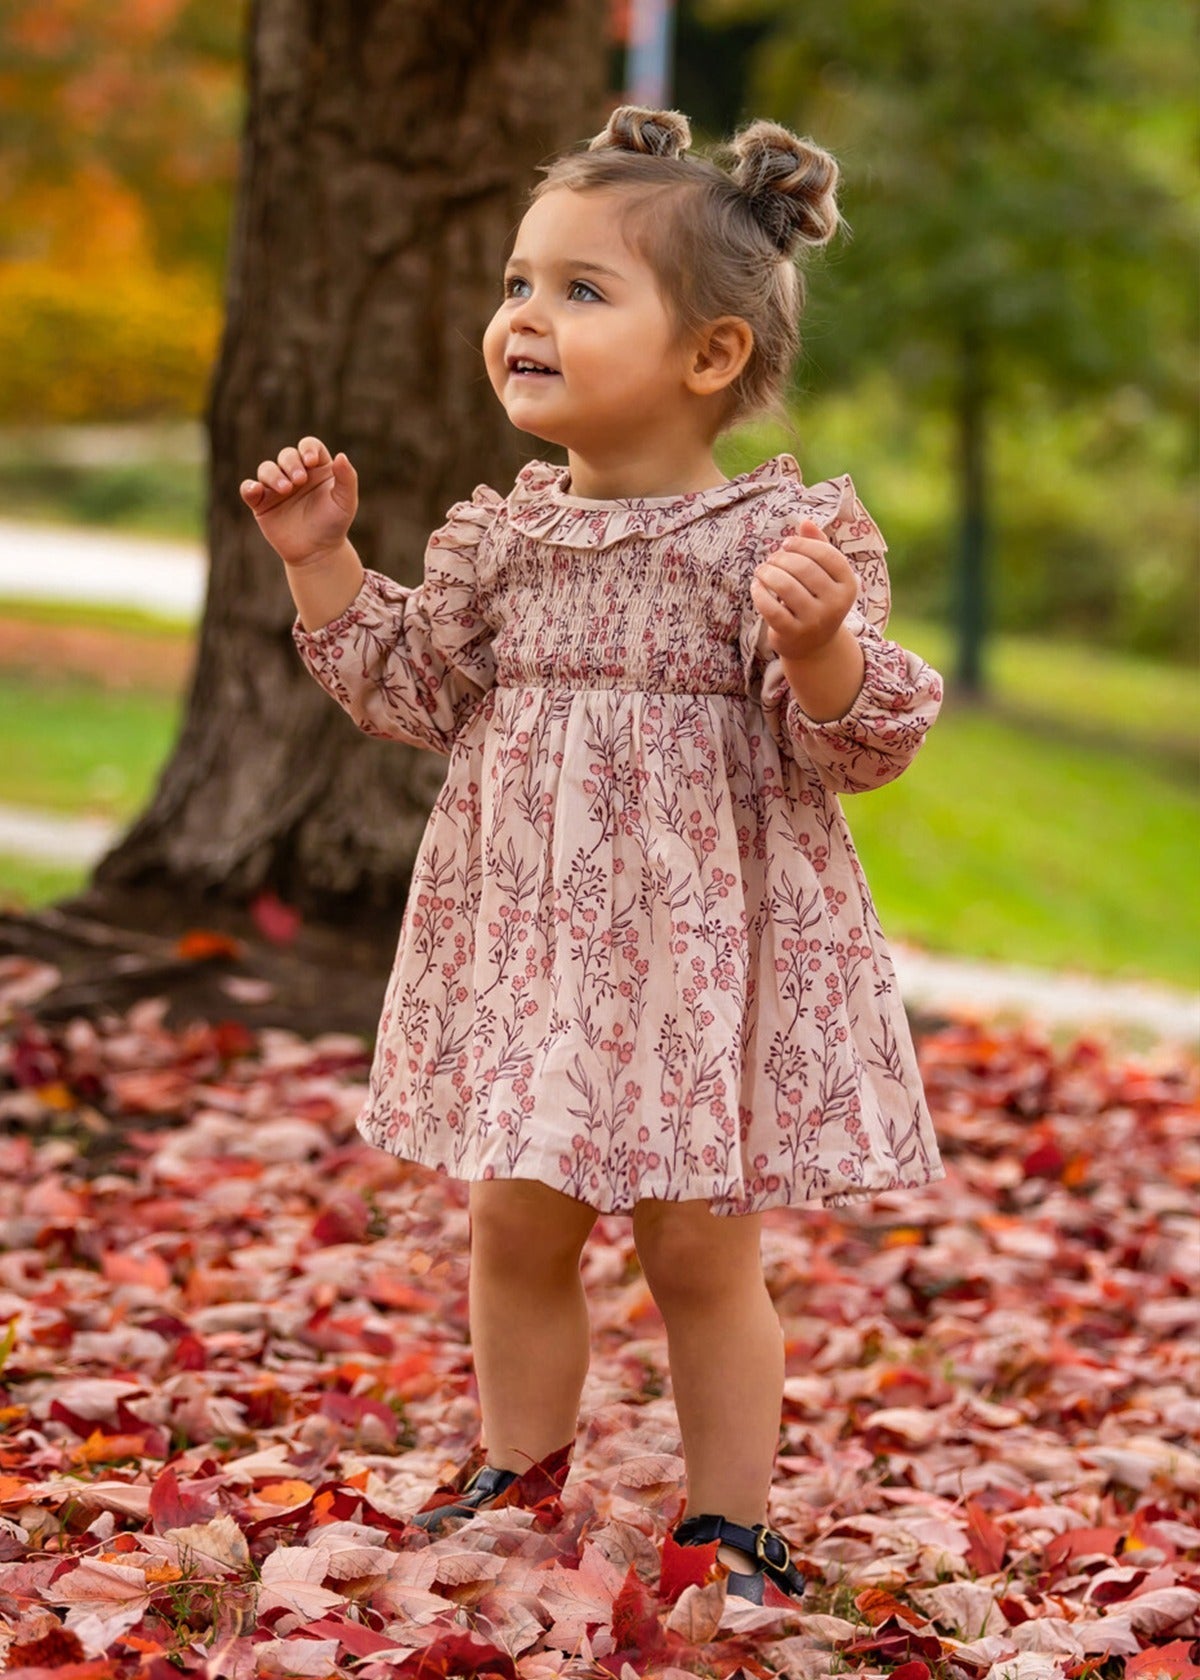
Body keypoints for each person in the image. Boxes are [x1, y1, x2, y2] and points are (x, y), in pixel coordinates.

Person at [240, 104, 945, 1606]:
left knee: (698, 1250)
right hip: (537, 950)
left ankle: (731, 1520)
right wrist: (323, 562)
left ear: (710, 359)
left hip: (695, 966)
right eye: (515, 284)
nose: (524, 318)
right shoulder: (505, 543)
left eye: (579, 289)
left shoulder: (778, 542)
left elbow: (859, 744)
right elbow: (411, 692)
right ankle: (518, 1458)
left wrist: (817, 645)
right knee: (513, 1219)